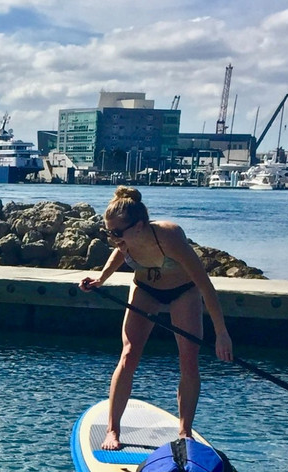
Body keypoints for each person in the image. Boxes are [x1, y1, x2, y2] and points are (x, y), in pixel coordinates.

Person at [79, 186, 234, 451]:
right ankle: (112, 430)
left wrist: (221, 333)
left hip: (183, 293)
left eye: (117, 232)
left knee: (188, 360)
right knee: (128, 355)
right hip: (145, 289)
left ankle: (185, 433)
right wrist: (101, 278)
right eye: (108, 232)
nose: (113, 238)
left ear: (139, 225)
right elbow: (121, 252)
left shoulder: (169, 236)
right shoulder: (125, 240)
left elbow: (205, 286)